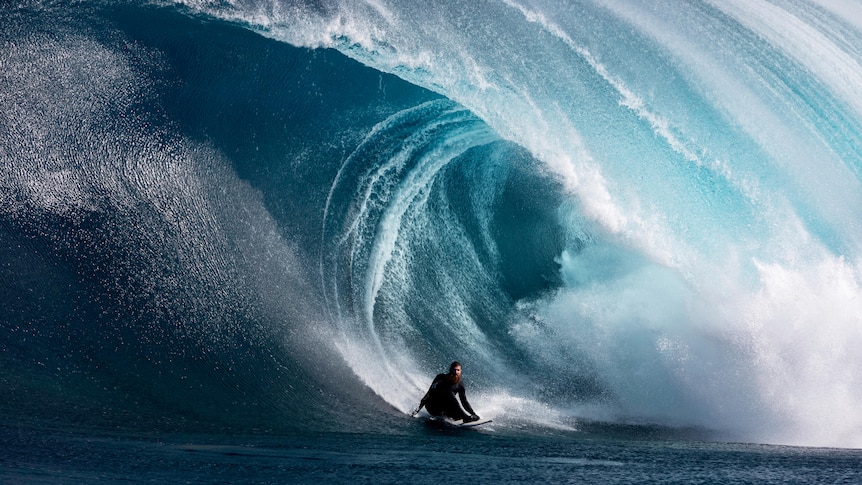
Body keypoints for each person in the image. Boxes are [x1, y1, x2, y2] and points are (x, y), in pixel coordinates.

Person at [412, 361, 480, 422]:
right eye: (454, 370)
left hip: (444, 409)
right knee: (449, 392)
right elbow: (429, 394)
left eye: (458, 370)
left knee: (458, 417)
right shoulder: (441, 378)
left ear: (461, 371)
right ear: (450, 370)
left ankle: (464, 417)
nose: (456, 372)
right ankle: (465, 417)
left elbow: (464, 401)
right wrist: (416, 411)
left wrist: (473, 413)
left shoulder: (460, 384)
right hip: (432, 406)